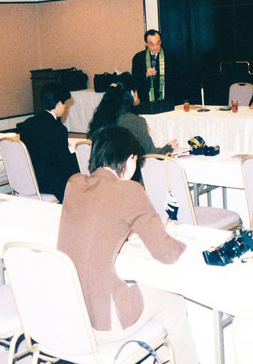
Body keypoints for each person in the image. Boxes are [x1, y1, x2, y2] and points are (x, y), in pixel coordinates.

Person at [57, 126, 199, 364]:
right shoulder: (129, 190)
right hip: (104, 321)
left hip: (70, 316)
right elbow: (166, 253)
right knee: (173, 301)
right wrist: (175, 236)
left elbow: (101, 220)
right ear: (130, 159)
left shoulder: (74, 183)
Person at [17, 82, 79, 203]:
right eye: (65, 103)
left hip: (28, 180)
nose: (65, 107)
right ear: (59, 103)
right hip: (49, 184)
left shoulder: (27, 123)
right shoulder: (58, 129)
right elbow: (64, 164)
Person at [88, 72, 177, 155]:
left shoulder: (100, 117)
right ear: (132, 93)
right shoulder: (134, 121)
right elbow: (150, 155)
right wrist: (168, 148)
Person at [132, 29, 170, 104]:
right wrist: (145, 74)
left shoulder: (170, 56)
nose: (155, 47)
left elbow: (176, 78)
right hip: (146, 100)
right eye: (152, 44)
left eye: (158, 43)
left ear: (161, 42)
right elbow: (134, 79)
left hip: (167, 99)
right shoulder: (138, 58)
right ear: (146, 44)